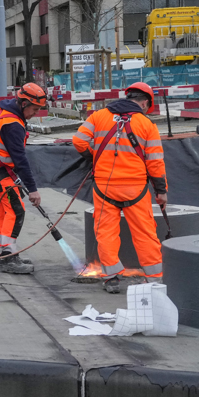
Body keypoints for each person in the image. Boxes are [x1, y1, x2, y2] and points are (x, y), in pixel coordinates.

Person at [73, 82, 168, 294]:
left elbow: (79, 140)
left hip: (104, 187)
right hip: (135, 189)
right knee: (144, 233)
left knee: (106, 233)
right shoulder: (147, 125)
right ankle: (154, 279)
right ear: (144, 103)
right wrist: (161, 191)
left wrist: (94, 157)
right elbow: (155, 162)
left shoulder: (99, 116)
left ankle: (111, 278)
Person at [0, 82, 47, 275]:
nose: (36, 113)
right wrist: (32, 189)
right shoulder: (13, 124)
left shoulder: (3, 109)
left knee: (3, 211)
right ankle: (8, 259)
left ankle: (5, 252)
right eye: (35, 109)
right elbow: (20, 159)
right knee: (16, 211)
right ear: (24, 104)